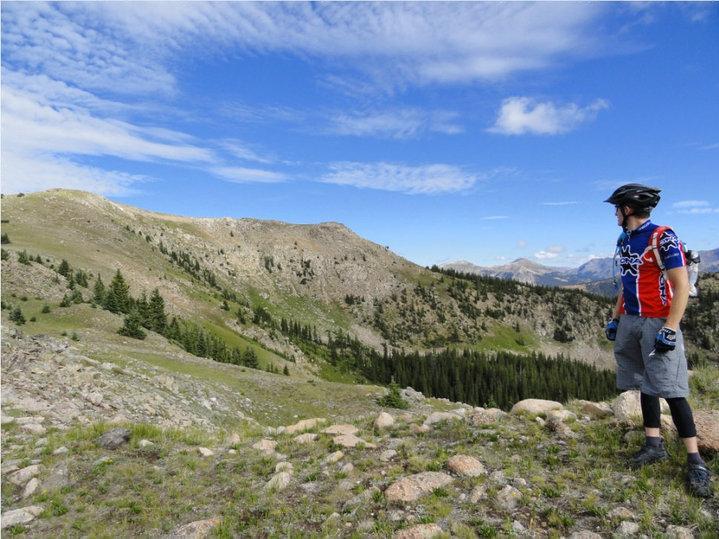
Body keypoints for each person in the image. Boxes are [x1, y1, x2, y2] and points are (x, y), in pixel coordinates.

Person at [604, 183, 713, 498]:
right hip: (631, 320)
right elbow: (626, 285)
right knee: (644, 383)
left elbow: (680, 286)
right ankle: (654, 444)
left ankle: (695, 460)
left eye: (616, 208)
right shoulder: (625, 240)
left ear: (628, 209)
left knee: (673, 390)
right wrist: (615, 317)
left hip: (657, 321)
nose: (614, 214)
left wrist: (671, 326)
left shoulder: (662, 237)